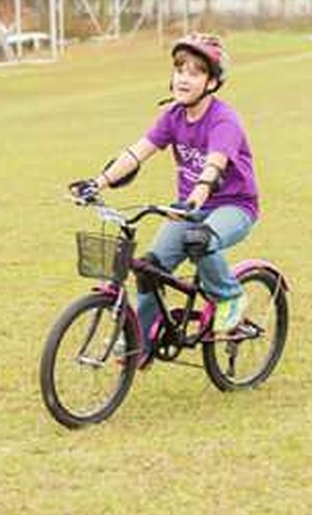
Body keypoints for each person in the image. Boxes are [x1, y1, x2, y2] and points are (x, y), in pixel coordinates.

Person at [69, 33, 260, 364]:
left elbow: (215, 165)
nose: (184, 78)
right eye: (180, 70)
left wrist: (198, 196)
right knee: (149, 269)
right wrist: (96, 182)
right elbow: (137, 153)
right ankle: (139, 344)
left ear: (212, 82)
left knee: (199, 240)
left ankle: (230, 299)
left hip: (233, 206)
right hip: (186, 210)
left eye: (195, 72)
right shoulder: (172, 116)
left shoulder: (223, 120)